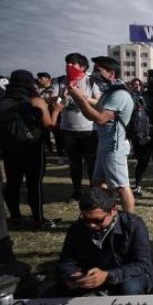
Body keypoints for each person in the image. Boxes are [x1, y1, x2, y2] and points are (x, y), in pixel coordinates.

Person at [55, 187, 153, 297]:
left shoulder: (133, 225)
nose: (91, 225)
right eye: (85, 219)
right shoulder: (77, 228)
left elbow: (142, 264)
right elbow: (66, 262)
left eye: (98, 220)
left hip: (128, 275)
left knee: (130, 288)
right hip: (92, 276)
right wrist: (72, 275)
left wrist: (107, 275)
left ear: (113, 210)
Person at [68, 56, 135, 213]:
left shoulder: (119, 94)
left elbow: (100, 119)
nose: (94, 74)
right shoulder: (108, 93)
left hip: (114, 148)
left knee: (121, 187)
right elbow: (95, 110)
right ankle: (106, 214)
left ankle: (131, 221)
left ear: (111, 73)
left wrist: (81, 100)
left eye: (98, 70)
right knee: (98, 184)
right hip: (104, 147)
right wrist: (80, 99)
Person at [0, 70, 60, 229]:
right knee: (34, 184)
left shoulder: (1, 101)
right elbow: (49, 124)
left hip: (10, 147)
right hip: (33, 146)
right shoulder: (36, 100)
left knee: (12, 183)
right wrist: (57, 110)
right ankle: (38, 219)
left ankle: (15, 217)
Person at [52, 53, 101, 202]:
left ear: (83, 67)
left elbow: (99, 102)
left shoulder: (91, 81)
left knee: (92, 162)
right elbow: (54, 101)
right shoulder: (59, 81)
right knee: (74, 163)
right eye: (67, 63)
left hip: (89, 129)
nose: (69, 66)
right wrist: (62, 94)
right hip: (68, 129)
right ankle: (77, 191)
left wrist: (82, 97)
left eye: (73, 63)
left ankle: (94, 190)